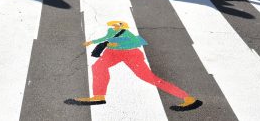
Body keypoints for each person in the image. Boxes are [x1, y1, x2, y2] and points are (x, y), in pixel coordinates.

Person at [67, 20, 200, 111]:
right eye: (113, 25)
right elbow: (105, 39)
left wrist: (119, 44)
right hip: (113, 53)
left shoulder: (127, 33)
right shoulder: (111, 31)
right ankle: (99, 96)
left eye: (116, 25)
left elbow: (137, 43)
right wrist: (92, 41)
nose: (114, 27)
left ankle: (188, 98)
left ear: (122, 26)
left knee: (149, 78)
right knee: (98, 67)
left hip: (130, 54)